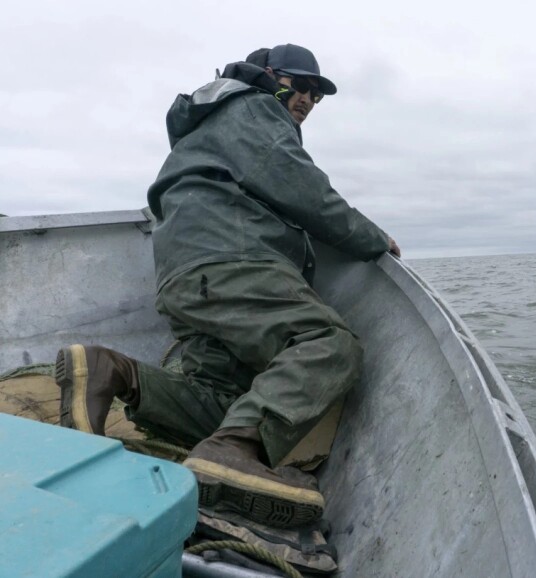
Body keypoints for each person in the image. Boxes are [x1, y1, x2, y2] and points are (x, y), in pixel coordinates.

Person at [54, 43, 400, 528]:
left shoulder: (209, 127)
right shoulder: (253, 108)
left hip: (187, 278)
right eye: (300, 85)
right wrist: (372, 239)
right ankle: (233, 452)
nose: (307, 99)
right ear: (269, 76)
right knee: (329, 343)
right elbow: (305, 190)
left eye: (317, 95)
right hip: (232, 261)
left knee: (221, 402)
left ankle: (113, 371)